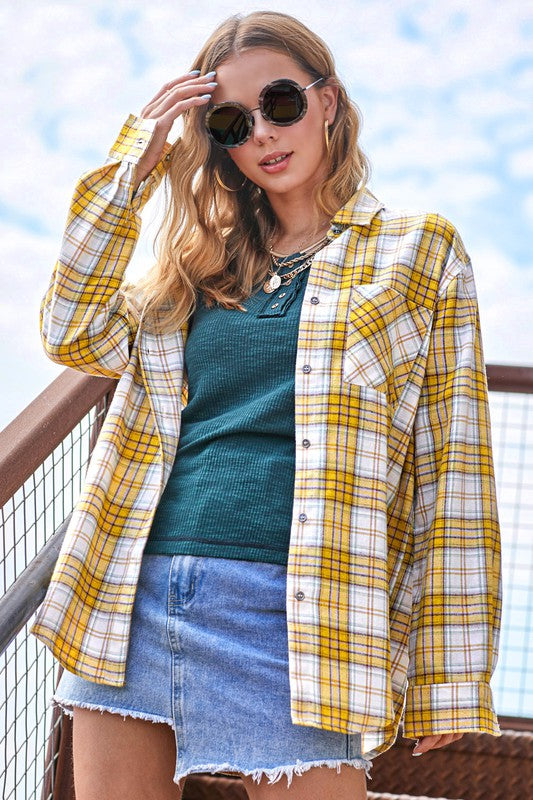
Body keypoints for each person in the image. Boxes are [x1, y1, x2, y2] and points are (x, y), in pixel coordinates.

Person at [31, 10, 502, 800]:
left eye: (279, 102)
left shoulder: (416, 251)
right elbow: (69, 329)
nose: (261, 133)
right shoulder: (191, 271)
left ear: (328, 100)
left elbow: (451, 465)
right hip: (134, 599)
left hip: (300, 618)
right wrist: (133, 167)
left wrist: (446, 670)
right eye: (229, 122)